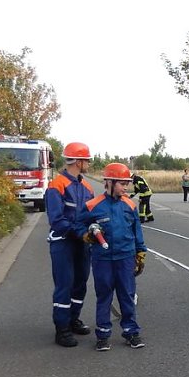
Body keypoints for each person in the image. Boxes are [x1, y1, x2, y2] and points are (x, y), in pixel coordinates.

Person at [79, 162, 148, 351]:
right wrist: (86, 234)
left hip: (126, 257)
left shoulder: (130, 205)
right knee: (104, 296)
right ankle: (102, 335)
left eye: (127, 183)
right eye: (122, 183)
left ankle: (131, 332)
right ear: (109, 182)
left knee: (127, 295)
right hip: (102, 259)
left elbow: (137, 230)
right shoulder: (93, 206)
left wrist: (140, 251)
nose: (126, 187)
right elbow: (79, 225)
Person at [44, 141, 95, 348]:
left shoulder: (87, 187)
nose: (89, 164)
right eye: (87, 161)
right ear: (79, 161)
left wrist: (96, 229)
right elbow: (56, 219)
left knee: (80, 283)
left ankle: (74, 319)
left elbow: (91, 214)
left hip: (82, 243)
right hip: (63, 242)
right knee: (64, 285)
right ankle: (61, 329)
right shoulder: (56, 185)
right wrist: (79, 232)